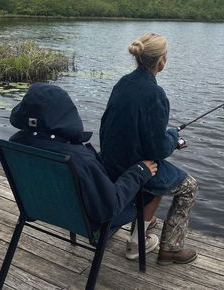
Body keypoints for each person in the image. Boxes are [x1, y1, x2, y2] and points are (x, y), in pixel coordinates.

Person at [9, 83, 159, 252]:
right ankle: (138, 242)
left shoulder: (14, 143)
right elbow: (110, 206)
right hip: (91, 222)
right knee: (152, 190)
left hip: (43, 208)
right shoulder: (77, 158)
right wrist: (138, 172)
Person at [100, 33, 198, 265]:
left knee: (157, 176)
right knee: (189, 187)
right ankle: (170, 250)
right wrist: (173, 137)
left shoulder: (123, 83)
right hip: (136, 169)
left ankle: (139, 234)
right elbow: (157, 149)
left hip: (110, 164)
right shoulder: (155, 94)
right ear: (161, 60)